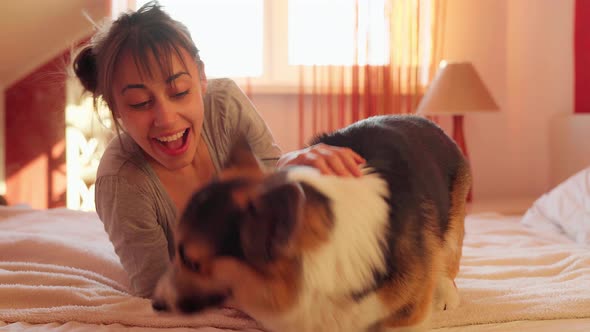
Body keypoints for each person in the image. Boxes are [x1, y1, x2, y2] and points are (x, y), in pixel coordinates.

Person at [72, 1, 365, 298]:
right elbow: (159, 291)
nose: (166, 118)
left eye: (180, 92)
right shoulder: (121, 182)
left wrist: (292, 167)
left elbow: (272, 192)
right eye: (139, 102)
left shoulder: (225, 105)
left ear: (201, 78)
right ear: (115, 109)